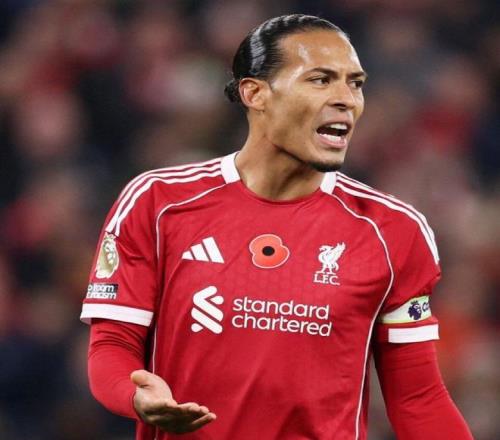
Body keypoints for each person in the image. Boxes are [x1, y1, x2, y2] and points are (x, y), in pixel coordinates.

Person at [81, 14, 473, 439]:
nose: (346, 99)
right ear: (255, 93)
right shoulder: (158, 203)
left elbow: (418, 398)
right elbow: (112, 346)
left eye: (355, 83)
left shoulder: (393, 230)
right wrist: (136, 396)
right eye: (321, 80)